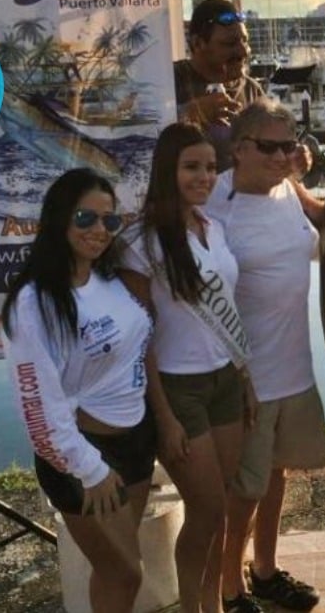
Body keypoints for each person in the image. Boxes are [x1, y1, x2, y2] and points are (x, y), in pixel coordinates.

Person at [120, 122, 257, 613]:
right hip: (178, 389)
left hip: (225, 380)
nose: (204, 176)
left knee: (218, 508)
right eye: (191, 167)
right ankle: (192, 607)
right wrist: (164, 416)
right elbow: (140, 339)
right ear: (167, 171)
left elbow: (231, 311)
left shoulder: (213, 227)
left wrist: (244, 381)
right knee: (208, 508)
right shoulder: (142, 242)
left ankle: (213, 603)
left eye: (210, 167)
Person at [2, 168, 153, 613]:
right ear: (60, 220)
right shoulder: (36, 303)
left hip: (137, 441)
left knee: (118, 574)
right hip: (86, 457)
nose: (99, 231)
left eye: (110, 221)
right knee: (125, 572)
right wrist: (90, 469)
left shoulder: (110, 280)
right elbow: (37, 406)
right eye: (86, 218)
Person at [204, 100, 325, 613]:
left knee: (276, 477)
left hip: (295, 369)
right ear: (239, 148)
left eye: (290, 143)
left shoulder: (287, 192)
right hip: (247, 379)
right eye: (271, 146)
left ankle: (266, 570)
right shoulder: (215, 204)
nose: (284, 155)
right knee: (242, 492)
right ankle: (229, 589)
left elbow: (321, 235)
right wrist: (236, 377)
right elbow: (202, 298)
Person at [174, 0, 265, 170]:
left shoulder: (252, 90)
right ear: (198, 43)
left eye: (245, 41)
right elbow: (138, 131)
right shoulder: (169, 80)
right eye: (230, 43)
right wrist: (189, 113)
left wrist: (293, 156)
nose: (243, 51)